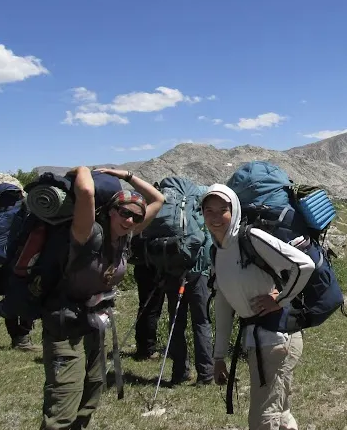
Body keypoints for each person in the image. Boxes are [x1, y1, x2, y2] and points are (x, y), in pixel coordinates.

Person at [40, 167, 164, 430]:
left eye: (136, 216)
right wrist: (83, 169)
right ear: (110, 211)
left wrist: (127, 175)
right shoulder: (87, 233)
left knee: (94, 386)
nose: (130, 219)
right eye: (124, 212)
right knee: (64, 397)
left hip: (95, 323)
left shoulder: (125, 235)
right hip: (65, 323)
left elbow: (158, 200)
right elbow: (85, 191)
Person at [203, 183, 314, 430]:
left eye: (223, 209)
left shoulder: (250, 237)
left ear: (235, 211)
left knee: (264, 419)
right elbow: (223, 303)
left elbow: (304, 266)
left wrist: (280, 300)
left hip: (277, 338)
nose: (215, 217)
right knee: (279, 414)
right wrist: (219, 356)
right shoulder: (217, 252)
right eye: (208, 210)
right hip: (261, 339)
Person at [162, 228, 215, 385]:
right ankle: (205, 374)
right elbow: (209, 243)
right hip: (199, 276)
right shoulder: (199, 213)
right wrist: (199, 270)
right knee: (201, 322)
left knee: (176, 323)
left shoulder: (173, 215)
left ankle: (179, 373)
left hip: (173, 274)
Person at [129, 236, 165, 361]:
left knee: (145, 306)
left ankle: (143, 346)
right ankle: (147, 349)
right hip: (152, 265)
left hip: (142, 263)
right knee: (152, 308)